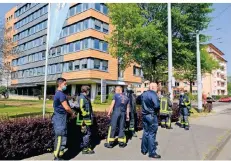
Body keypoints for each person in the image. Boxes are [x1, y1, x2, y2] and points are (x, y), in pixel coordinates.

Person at [52, 78, 76, 160]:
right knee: (60, 137)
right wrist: (72, 113)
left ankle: (59, 155)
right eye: (65, 84)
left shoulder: (58, 93)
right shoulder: (61, 94)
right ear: (60, 84)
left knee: (60, 137)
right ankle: (57, 157)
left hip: (59, 117)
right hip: (60, 118)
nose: (66, 85)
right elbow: (66, 107)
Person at [141, 83, 161, 159]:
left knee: (146, 132)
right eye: (156, 87)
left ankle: (144, 150)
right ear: (153, 87)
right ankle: (152, 152)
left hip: (144, 115)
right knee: (152, 133)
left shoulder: (144, 94)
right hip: (152, 115)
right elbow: (157, 105)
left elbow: (138, 100)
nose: (157, 88)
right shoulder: (153, 94)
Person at [76, 85, 95, 154]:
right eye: (88, 90)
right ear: (86, 91)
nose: (89, 92)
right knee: (87, 134)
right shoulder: (82, 98)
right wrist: (86, 114)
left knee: (85, 133)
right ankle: (85, 148)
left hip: (85, 119)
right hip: (84, 120)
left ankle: (84, 146)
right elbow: (81, 108)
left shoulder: (85, 97)